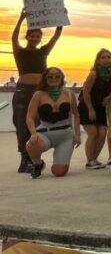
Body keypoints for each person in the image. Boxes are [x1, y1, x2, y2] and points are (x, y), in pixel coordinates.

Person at [11, 10, 63, 172]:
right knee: (22, 123)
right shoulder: (20, 51)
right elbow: (14, 37)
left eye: (37, 36)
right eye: (32, 36)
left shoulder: (43, 51)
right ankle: (24, 159)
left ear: (40, 38)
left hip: (40, 91)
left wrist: (60, 20)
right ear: (27, 37)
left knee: (37, 123)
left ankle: (34, 156)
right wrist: (21, 19)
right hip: (23, 91)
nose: (35, 38)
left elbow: (56, 36)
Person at [25, 67, 80, 179]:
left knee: (59, 172)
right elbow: (30, 117)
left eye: (57, 76)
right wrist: (33, 133)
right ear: (45, 78)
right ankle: (37, 163)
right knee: (32, 144)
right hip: (45, 132)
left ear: (62, 77)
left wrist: (78, 135)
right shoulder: (39, 94)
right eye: (50, 76)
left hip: (65, 135)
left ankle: (59, 161)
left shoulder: (69, 94)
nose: (53, 78)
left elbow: (76, 115)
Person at [79, 49, 111, 169]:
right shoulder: (94, 73)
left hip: (100, 106)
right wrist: (90, 109)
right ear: (98, 60)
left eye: (109, 57)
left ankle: (94, 159)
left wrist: (109, 97)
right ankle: (90, 161)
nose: (106, 60)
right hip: (87, 105)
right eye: (103, 57)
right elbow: (85, 91)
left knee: (102, 133)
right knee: (93, 133)